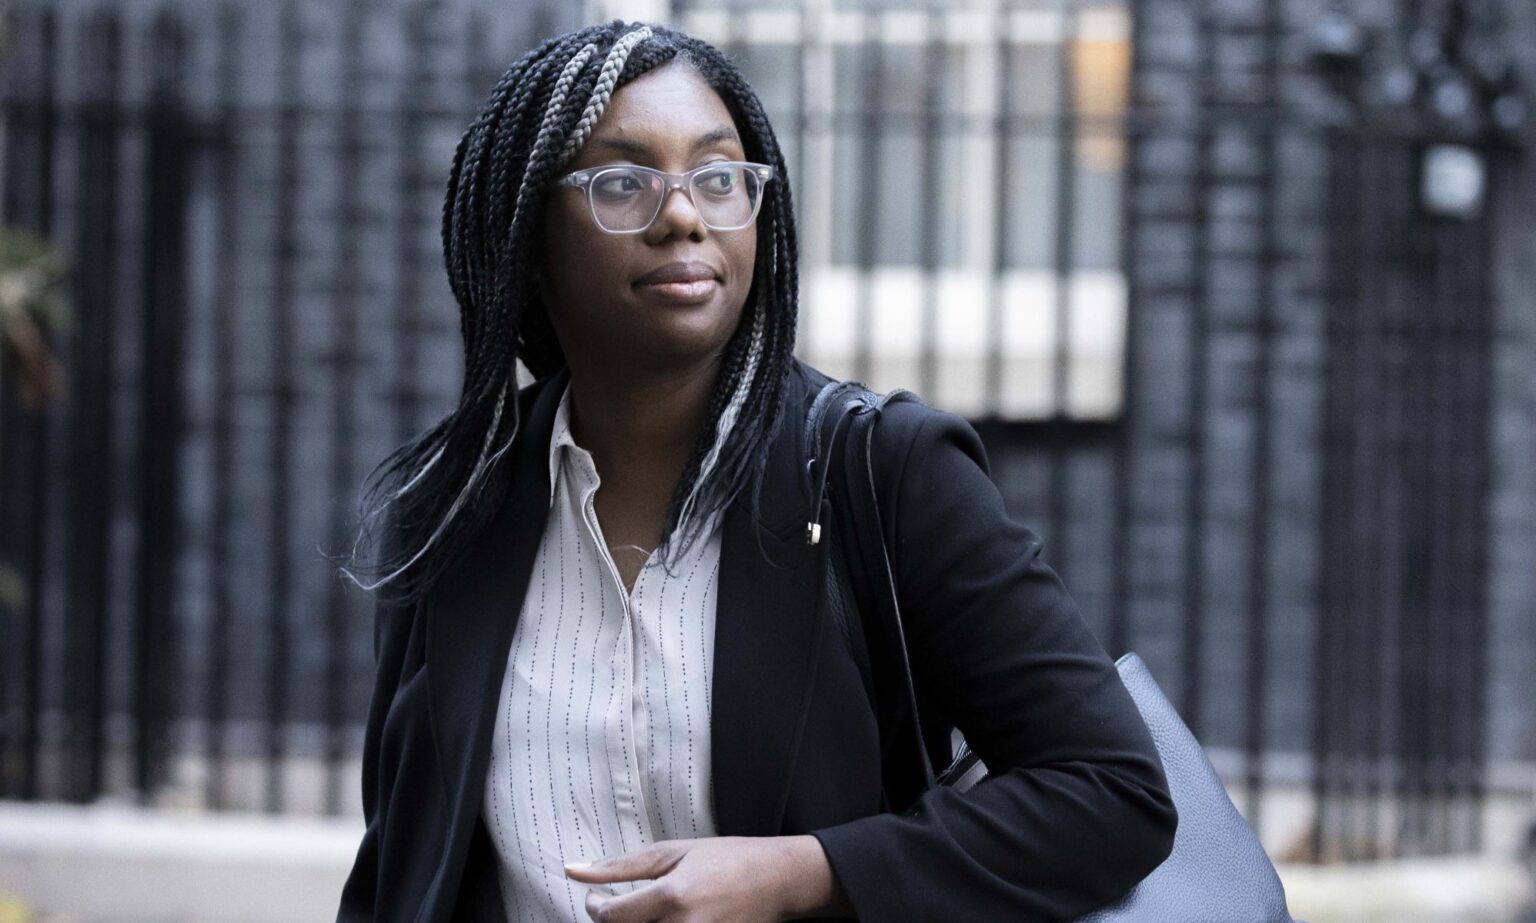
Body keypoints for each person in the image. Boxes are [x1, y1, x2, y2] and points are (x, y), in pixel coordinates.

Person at [336, 20, 1175, 923]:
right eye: (623, 182)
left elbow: (1113, 790)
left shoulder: (885, 472)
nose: (684, 215)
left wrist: (805, 872)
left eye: (718, 176)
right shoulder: (453, 511)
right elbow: (403, 863)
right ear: (528, 238)